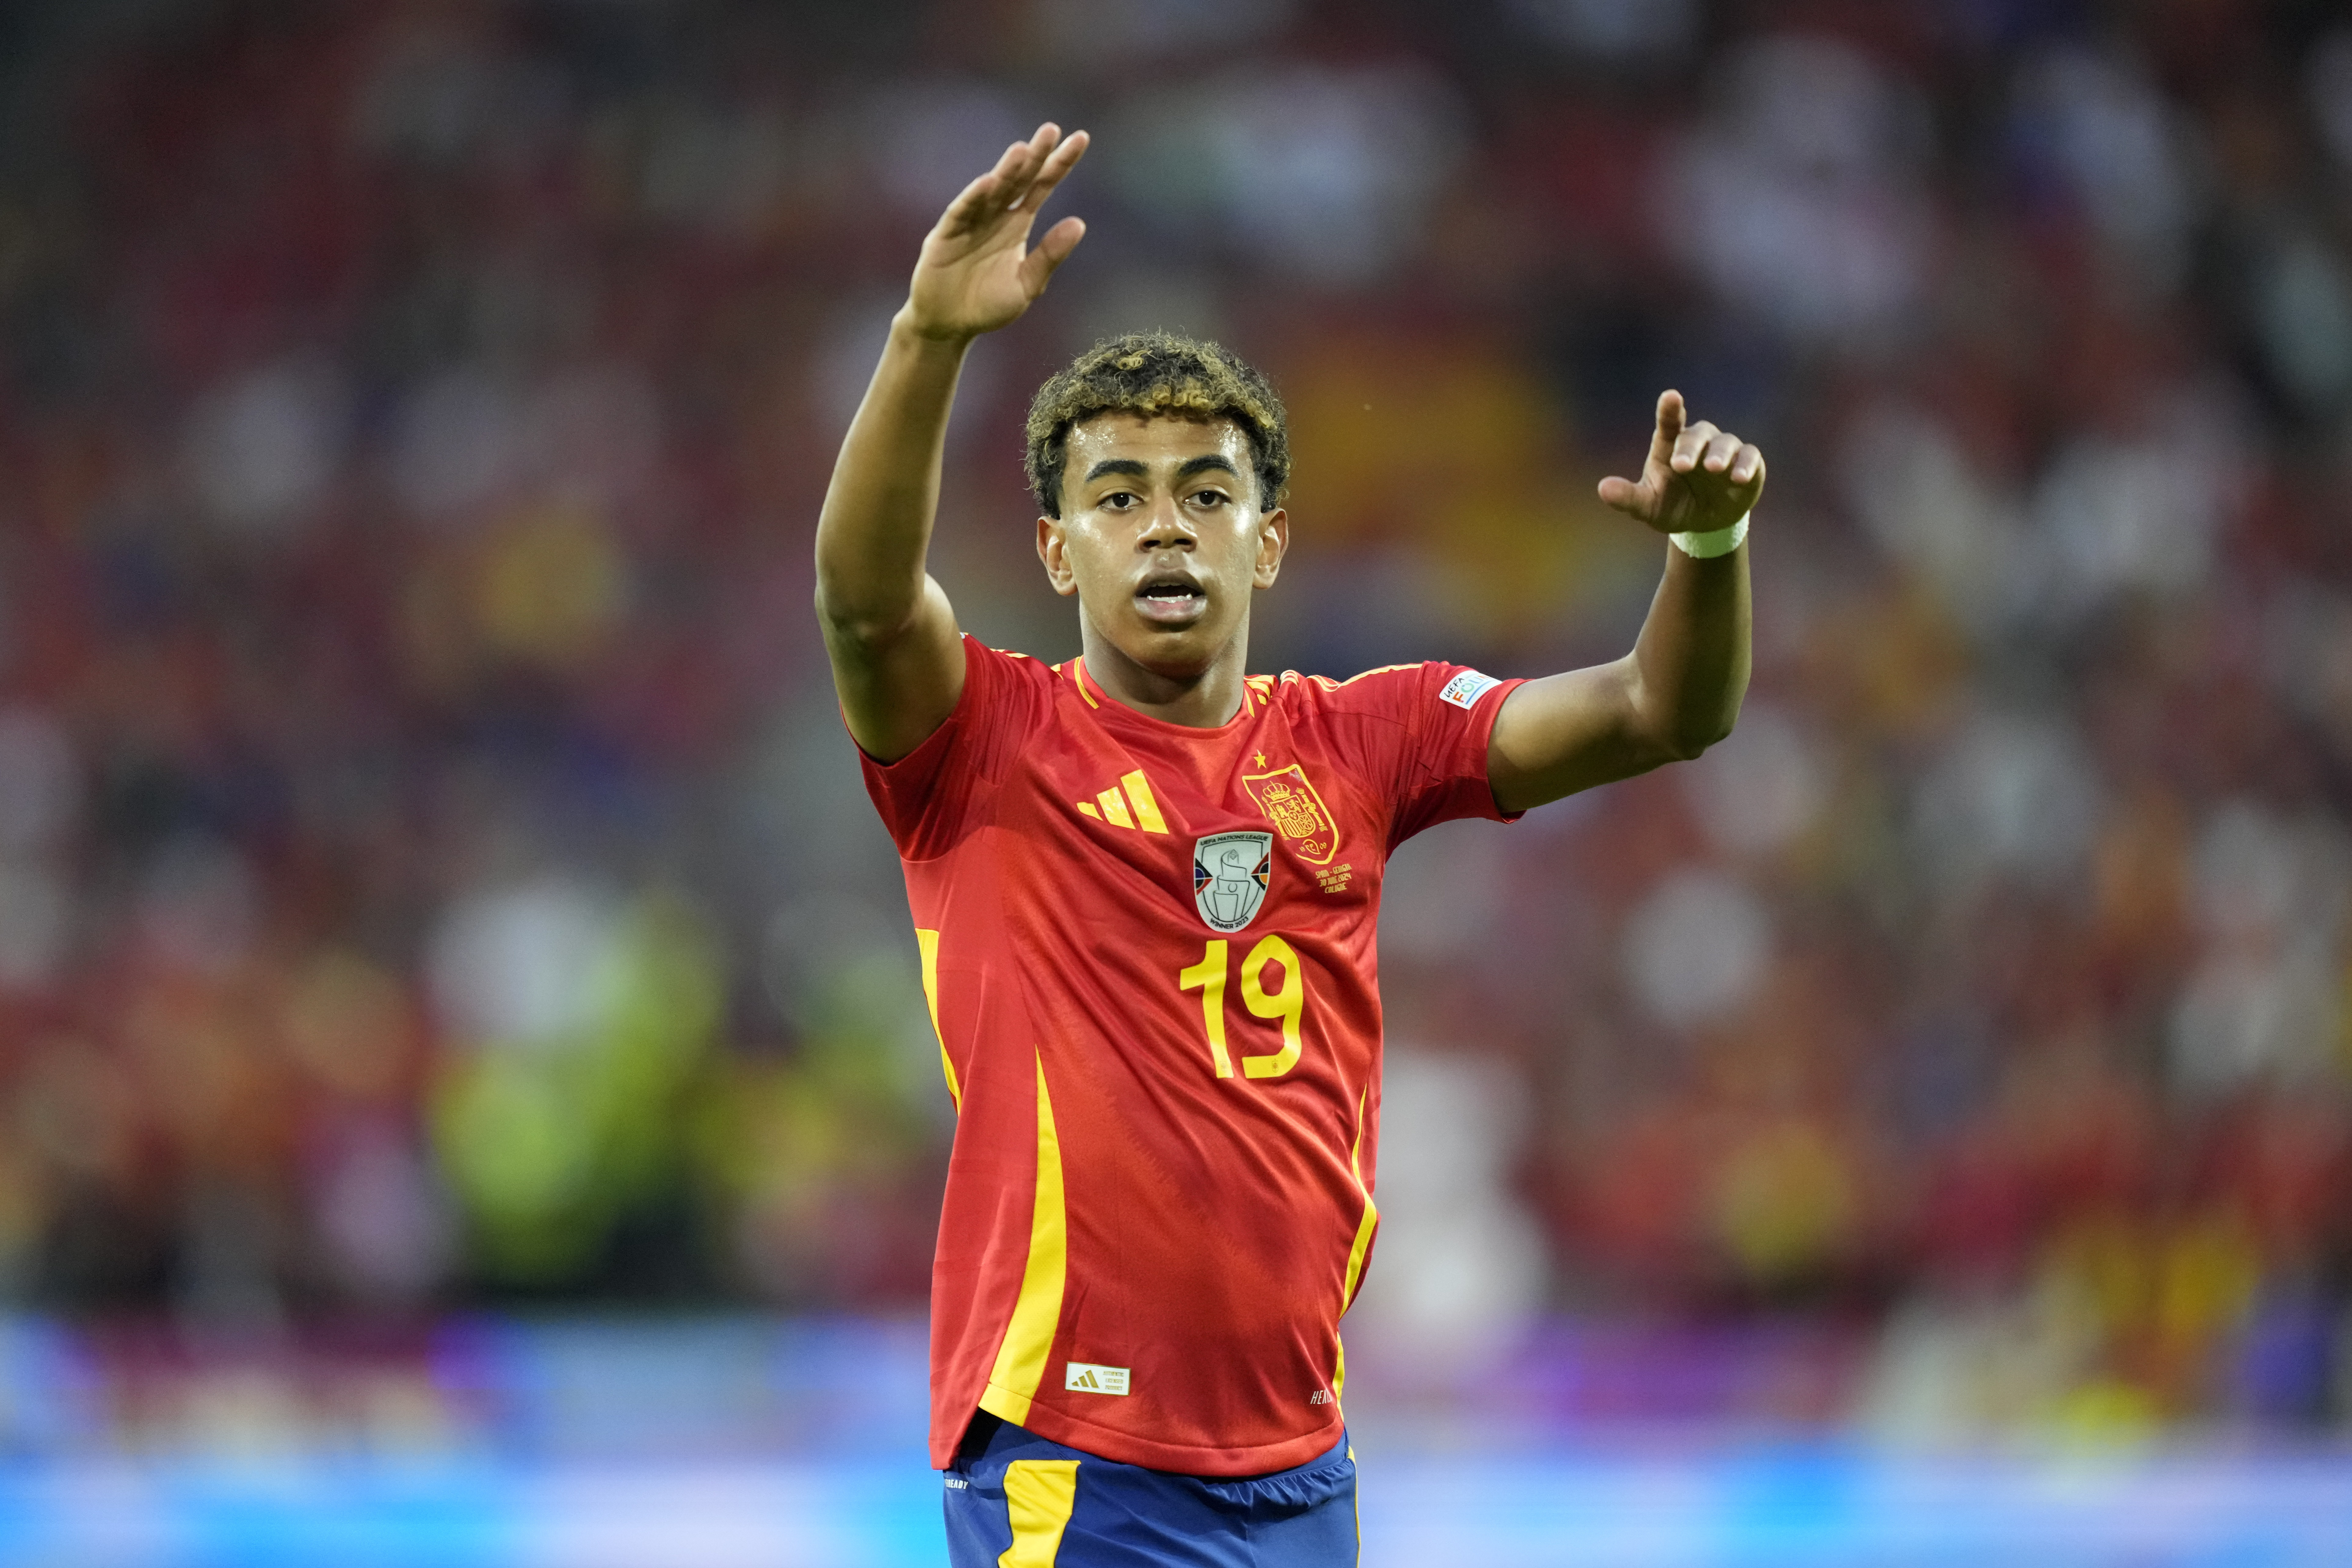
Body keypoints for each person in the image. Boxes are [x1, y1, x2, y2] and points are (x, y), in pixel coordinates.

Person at [815, 123, 1761, 1567]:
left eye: (1207, 490)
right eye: (1116, 495)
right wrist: (927, 340)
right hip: (1079, 1454)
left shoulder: (1362, 740)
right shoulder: (985, 745)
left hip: (1302, 1461)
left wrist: (1706, 554)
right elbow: (868, 606)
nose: (1165, 528)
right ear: (1060, 550)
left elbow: (1660, 712)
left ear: (1268, 542)